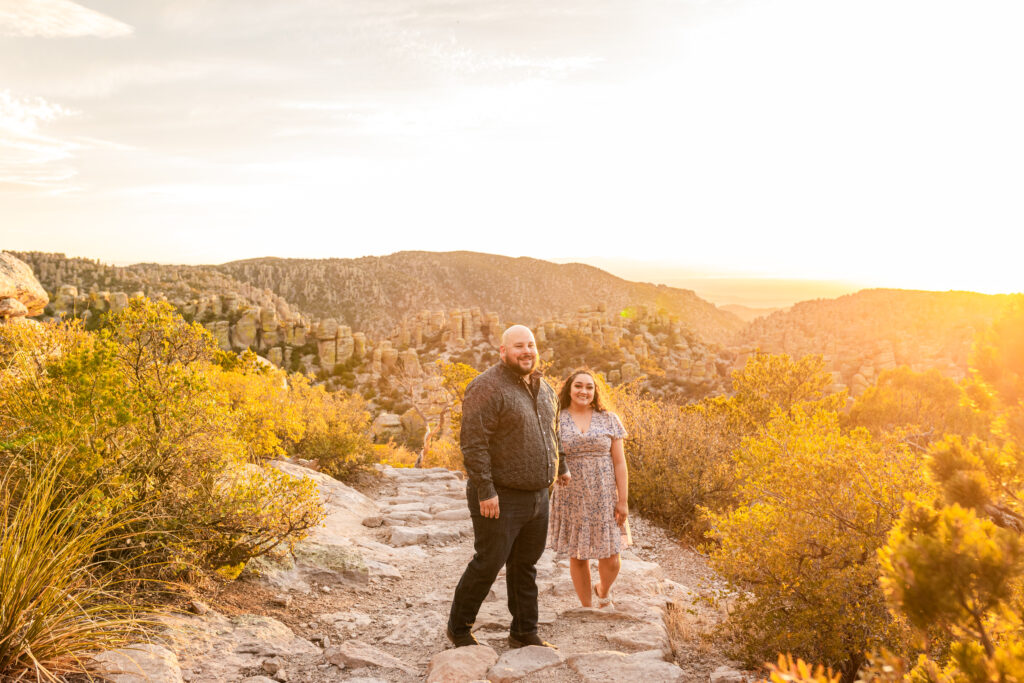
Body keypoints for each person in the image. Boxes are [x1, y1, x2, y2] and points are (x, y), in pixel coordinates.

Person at [446, 325, 567, 649]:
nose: (526, 351)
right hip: (501, 496)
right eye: (518, 346)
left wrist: (562, 466)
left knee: (524, 566)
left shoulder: (545, 388)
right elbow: (473, 444)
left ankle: (524, 632)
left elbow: (552, 431)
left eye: (530, 345)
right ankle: (459, 630)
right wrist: (486, 490)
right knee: (488, 563)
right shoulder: (485, 387)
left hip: (539, 497)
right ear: (503, 351)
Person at [548, 368, 630, 608]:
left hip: (604, 494)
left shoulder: (609, 419)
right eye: (578, 386)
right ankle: (586, 607)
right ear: (569, 389)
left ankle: (603, 591)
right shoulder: (556, 418)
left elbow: (619, 462)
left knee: (612, 556)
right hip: (570, 494)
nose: (584, 391)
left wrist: (622, 500)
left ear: (595, 391)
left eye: (589, 387)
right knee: (578, 553)